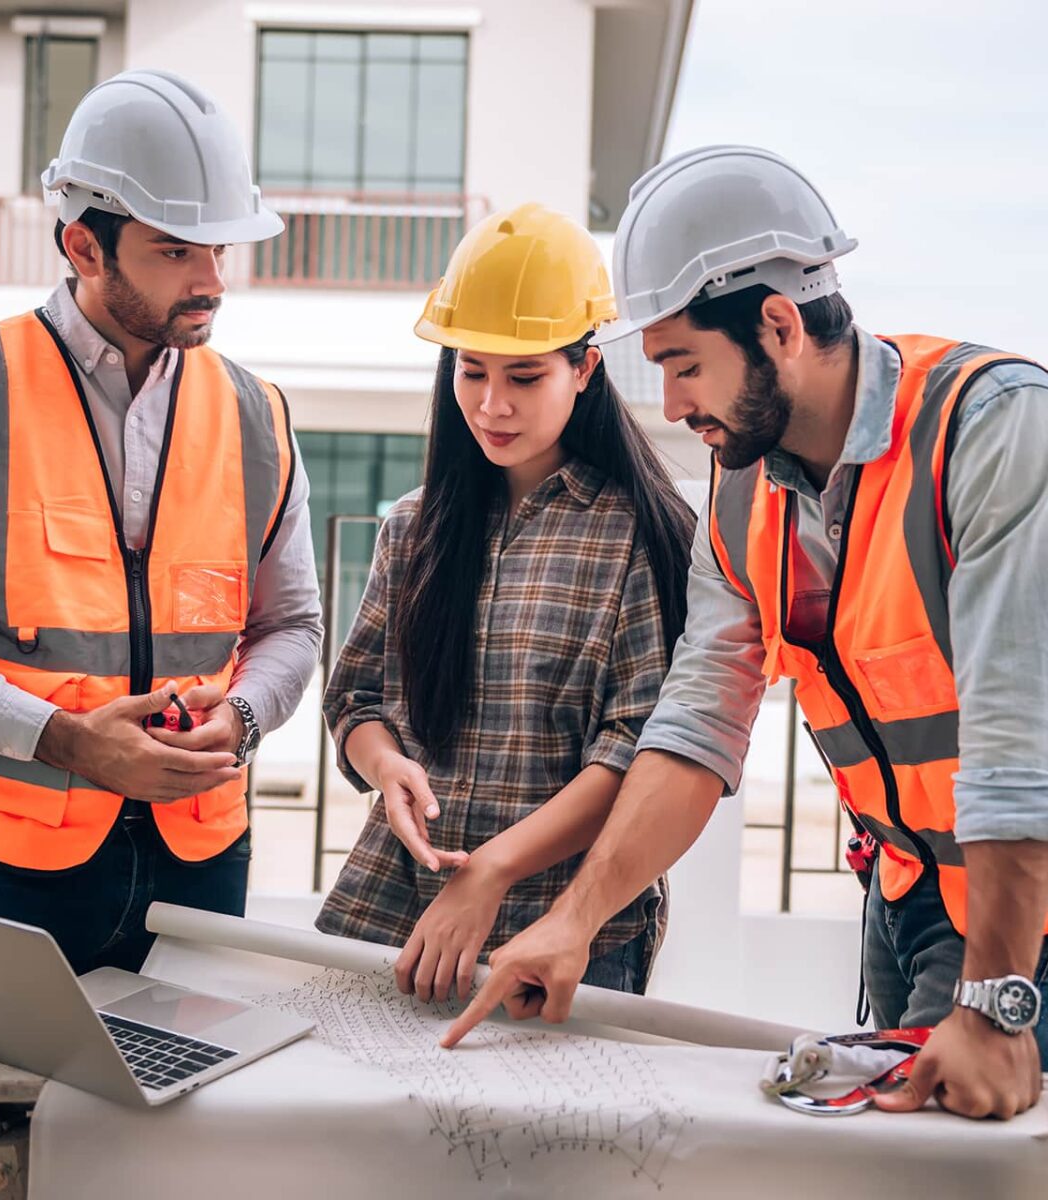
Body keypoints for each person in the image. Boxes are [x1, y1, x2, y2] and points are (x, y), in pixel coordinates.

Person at [444, 146, 1048, 1122]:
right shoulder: (741, 492)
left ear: (778, 324)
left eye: (686, 366)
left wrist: (995, 1005)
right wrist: (573, 923)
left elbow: (1022, 756)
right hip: (904, 892)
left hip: (1024, 901)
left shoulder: (991, 433)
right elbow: (693, 731)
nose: (675, 407)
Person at [0, 69, 322, 1197]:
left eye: (222, 247)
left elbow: (294, 623)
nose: (212, 279)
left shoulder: (256, 413)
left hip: (201, 864)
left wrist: (245, 715)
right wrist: (64, 741)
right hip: (6, 871)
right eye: (177, 249)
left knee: (162, 1166)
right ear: (84, 244)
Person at [314, 203, 695, 1004]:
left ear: (585, 370)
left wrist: (492, 869)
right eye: (471, 372)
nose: (492, 406)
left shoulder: (640, 537)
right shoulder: (414, 527)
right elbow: (356, 698)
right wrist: (389, 770)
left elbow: (634, 753)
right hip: (399, 911)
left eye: (525, 377)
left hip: (562, 933)